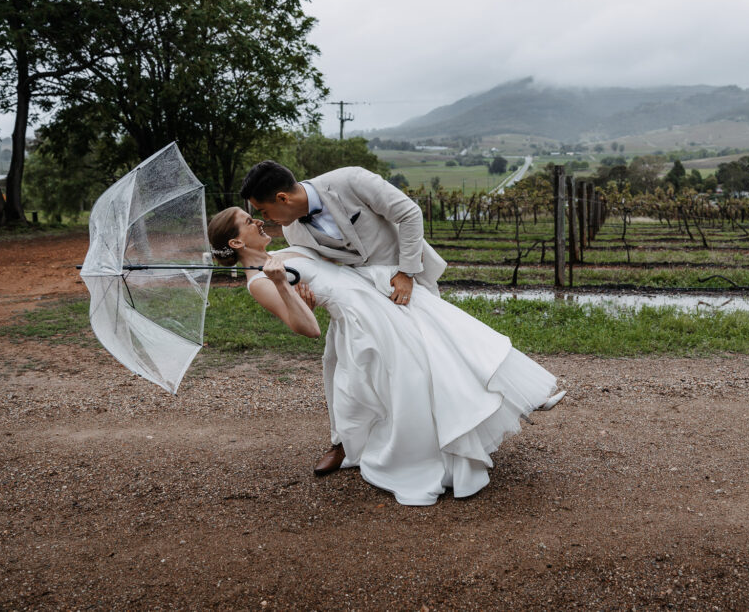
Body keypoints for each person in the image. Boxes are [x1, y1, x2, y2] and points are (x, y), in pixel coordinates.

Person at [207, 206, 562, 506]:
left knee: (448, 351)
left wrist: (302, 288)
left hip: (378, 298)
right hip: (363, 323)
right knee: (410, 383)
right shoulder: (258, 281)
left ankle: (516, 400)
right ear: (236, 242)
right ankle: (421, 454)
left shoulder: (285, 251)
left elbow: (334, 268)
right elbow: (308, 328)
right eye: (247, 221)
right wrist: (284, 287)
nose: (257, 220)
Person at [239, 162, 448, 475]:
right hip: (361, 297)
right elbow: (325, 267)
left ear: (282, 198)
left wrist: (406, 273)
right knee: (337, 362)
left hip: (403, 282)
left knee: (428, 356)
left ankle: (438, 432)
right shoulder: (293, 229)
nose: (265, 220)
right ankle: (344, 442)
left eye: (264, 211)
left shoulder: (350, 180)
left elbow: (409, 214)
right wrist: (309, 295)